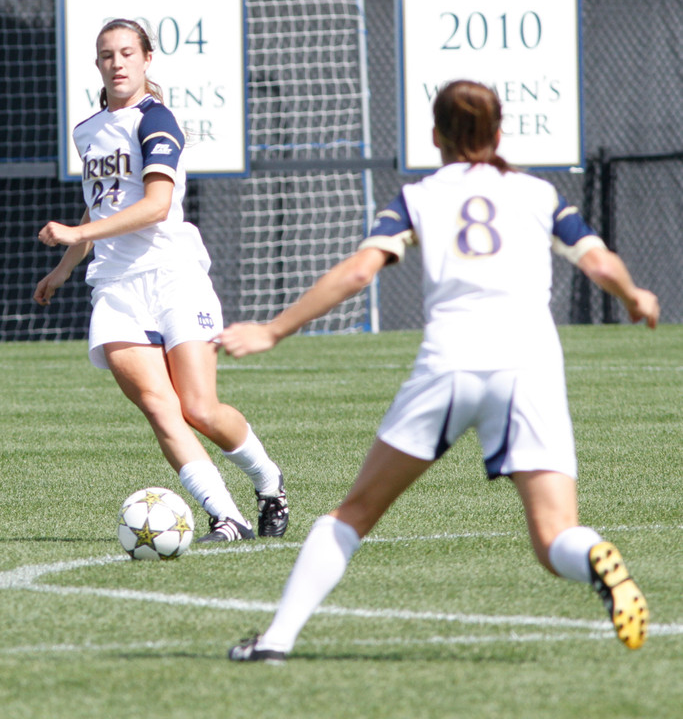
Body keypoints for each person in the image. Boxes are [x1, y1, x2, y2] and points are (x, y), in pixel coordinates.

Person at [216, 78, 658, 662]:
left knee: (353, 514)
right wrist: (633, 296)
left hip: (452, 360)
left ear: (434, 137)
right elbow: (598, 261)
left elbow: (356, 273)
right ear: (500, 133)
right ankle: (598, 557)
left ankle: (275, 641)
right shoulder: (538, 195)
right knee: (555, 535)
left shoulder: (418, 197)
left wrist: (272, 329)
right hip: (529, 363)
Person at [33, 18, 288, 543]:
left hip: (174, 275)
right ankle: (226, 515)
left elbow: (156, 206)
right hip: (116, 286)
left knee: (198, 407)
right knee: (157, 404)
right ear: (98, 64)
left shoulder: (157, 120)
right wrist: (63, 270)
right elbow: (103, 205)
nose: (118, 62)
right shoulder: (87, 131)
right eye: (107, 55)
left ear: (148, 60)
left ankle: (268, 483)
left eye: (128, 53)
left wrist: (78, 230)